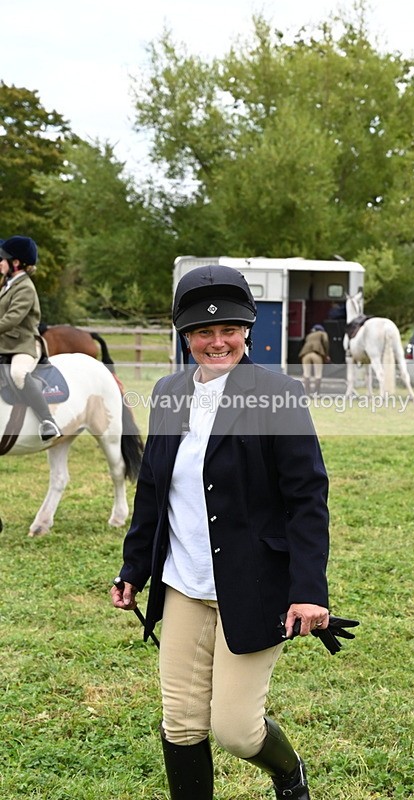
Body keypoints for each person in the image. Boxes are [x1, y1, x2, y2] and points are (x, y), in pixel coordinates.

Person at [111, 264, 330, 799]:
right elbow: (152, 492)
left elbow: (307, 499)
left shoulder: (277, 393)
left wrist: (307, 591)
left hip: (253, 585)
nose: (217, 342)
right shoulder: (167, 392)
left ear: (247, 331)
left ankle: (288, 773)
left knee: (235, 729)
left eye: (228, 330)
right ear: (186, 337)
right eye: (203, 332)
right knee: (181, 724)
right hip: (183, 583)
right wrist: (134, 568)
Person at [0, 236, 61, 441]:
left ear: (15, 263)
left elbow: (12, 319)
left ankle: (48, 420)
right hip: (5, 344)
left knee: (18, 374)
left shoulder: (25, 287)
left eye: (2, 258)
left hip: (24, 345)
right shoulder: (8, 284)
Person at [298, 324, 330, 395]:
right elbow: (326, 341)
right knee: (318, 374)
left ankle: (306, 394)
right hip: (316, 354)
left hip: (305, 354)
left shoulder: (309, 335)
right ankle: (316, 394)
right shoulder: (322, 333)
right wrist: (326, 354)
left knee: (306, 374)